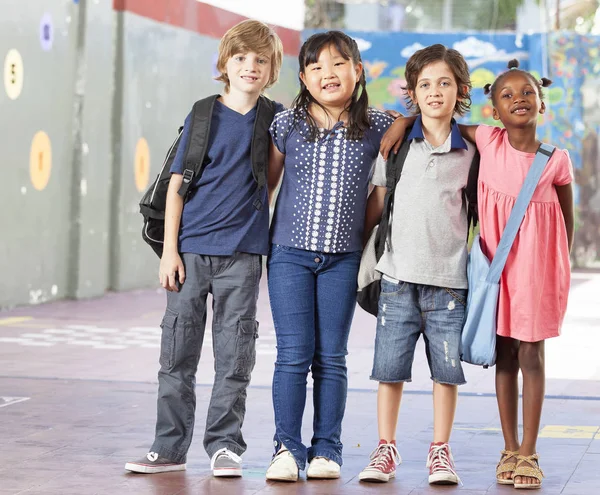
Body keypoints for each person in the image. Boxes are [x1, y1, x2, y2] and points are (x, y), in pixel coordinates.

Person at [380, 59, 574, 490]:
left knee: (531, 353)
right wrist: (407, 119)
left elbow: (566, 220)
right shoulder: (487, 140)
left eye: (527, 93)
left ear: (542, 102)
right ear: (493, 111)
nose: (518, 100)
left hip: (538, 275)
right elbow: (441, 119)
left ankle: (530, 452)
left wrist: (556, 268)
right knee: (503, 354)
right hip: (496, 273)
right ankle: (509, 448)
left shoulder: (557, 160)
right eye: (507, 95)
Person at [124, 19, 284, 477]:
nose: (250, 67)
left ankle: (224, 446)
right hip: (190, 253)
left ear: (272, 68)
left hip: (244, 256)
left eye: (260, 60)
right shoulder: (202, 115)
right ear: (224, 65)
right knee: (177, 355)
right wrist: (170, 251)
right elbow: (176, 189)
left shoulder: (274, 118)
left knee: (235, 355)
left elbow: (269, 181)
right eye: (240, 58)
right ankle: (168, 448)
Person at [264, 31, 395, 482]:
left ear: (357, 72)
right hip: (288, 256)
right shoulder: (285, 125)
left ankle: (326, 449)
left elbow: (380, 193)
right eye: (316, 67)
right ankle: (285, 448)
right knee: (292, 354)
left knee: (332, 356)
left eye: (338, 64)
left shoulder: (381, 126)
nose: (328, 74)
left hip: (343, 259)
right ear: (302, 77)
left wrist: (360, 236)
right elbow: (267, 186)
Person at [358, 44, 475, 485]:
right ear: (412, 92)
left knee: (446, 374)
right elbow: (378, 204)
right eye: (425, 84)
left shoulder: (471, 152)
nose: (434, 92)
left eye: (444, 83)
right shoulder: (396, 147)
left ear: (460, 90)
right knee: (389, 371)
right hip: (397, 278)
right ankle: (386, 448)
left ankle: (440, 452)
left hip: (448, 284)